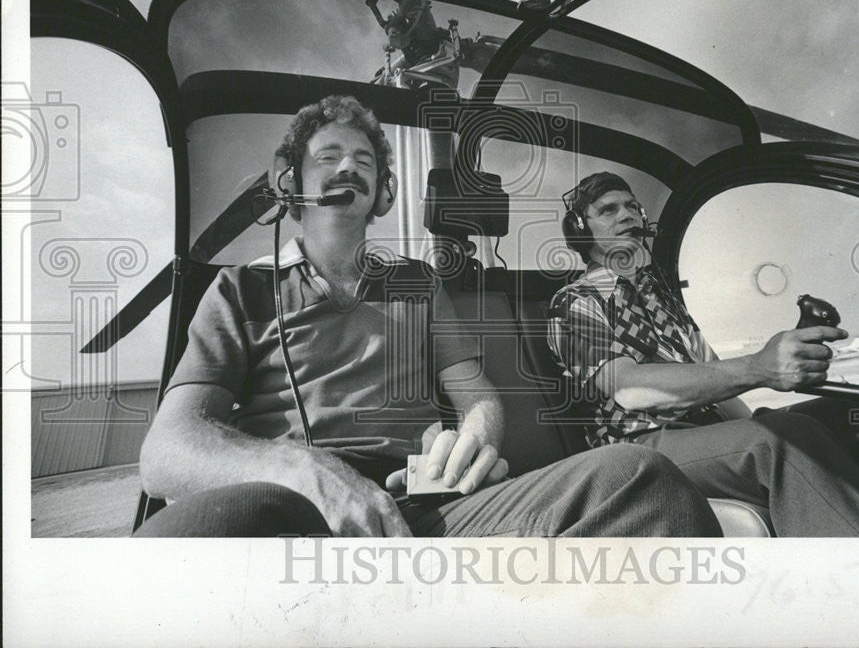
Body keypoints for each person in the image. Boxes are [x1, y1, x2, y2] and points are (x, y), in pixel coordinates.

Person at [136, 97, 722, 538]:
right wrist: (305, 471)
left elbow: (477, 397)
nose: (349, 167)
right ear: (291, 181)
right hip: (291, 505)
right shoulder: (240, 290)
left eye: (364, 159)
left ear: (383, 192)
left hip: (428, 505)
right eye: (329, 155)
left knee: (642, 478)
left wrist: (474, 445)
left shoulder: (417, 283)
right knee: (193, 530)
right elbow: (165, 453)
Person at [547, 172, 859, 537]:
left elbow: (714, 377)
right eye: (608, 210)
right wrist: (760, 368)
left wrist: (757, 418)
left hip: (705, 434)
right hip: (639, 452)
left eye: (631, 207)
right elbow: (632, 391)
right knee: (785, 442)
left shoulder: (659, 296)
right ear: (581, 230)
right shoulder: (576, 303)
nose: (627, 215)